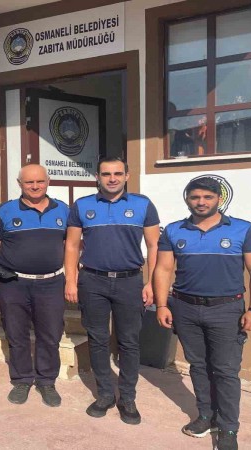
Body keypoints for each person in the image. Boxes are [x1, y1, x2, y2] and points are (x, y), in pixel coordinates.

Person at [153, 176, 251, 450]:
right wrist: (162, 304)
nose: (201, 202)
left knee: (226, 371)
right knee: (198, 366)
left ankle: (228, 428)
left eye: (207, 197)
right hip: (185, 308)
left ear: (219, 199)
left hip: (226, 310)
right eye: (195, 197)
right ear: (187, 199)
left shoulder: (242, 229)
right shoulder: (174, 230)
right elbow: (163, 269)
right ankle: (206, 416)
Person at [64, 156, 160, 425]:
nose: (112, 178)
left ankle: (127, 398)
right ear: (97, 177)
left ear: (127, 176)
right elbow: (71, 245)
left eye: (118, 173)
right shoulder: (82, 205)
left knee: (129, 341)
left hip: (130, 282)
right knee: (97, 339)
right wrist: (71, 280)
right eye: (106, 174)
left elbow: (154, 246)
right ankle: (105, 394)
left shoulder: (142, 205)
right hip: (92, 281)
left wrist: (152, 282)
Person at [0, 164, 69, 407]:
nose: (35, 186)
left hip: (51, 283)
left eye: (40, 181)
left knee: (50, 334)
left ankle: (46, 381)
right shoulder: (4, 211)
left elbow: (73, 246)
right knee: (16, 333)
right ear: (19, 184)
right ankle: (22, 379)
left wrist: (72, 279)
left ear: (48, 181)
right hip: (13, 283)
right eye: (29, 182)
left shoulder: (64, 210)